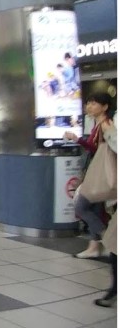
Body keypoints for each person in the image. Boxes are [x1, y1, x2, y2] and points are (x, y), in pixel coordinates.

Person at [65, 93, 116, 260]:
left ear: (105, 107)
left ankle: (107, 237)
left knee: (81, 206)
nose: (89, 107)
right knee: (94, 209)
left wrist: (77, 139)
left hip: (99, 174)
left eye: (94, 104)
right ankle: (94, 247)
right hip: (96, 173)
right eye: (89, 103)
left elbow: (100, 150)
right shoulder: (99, 123)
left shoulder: (106, 124)